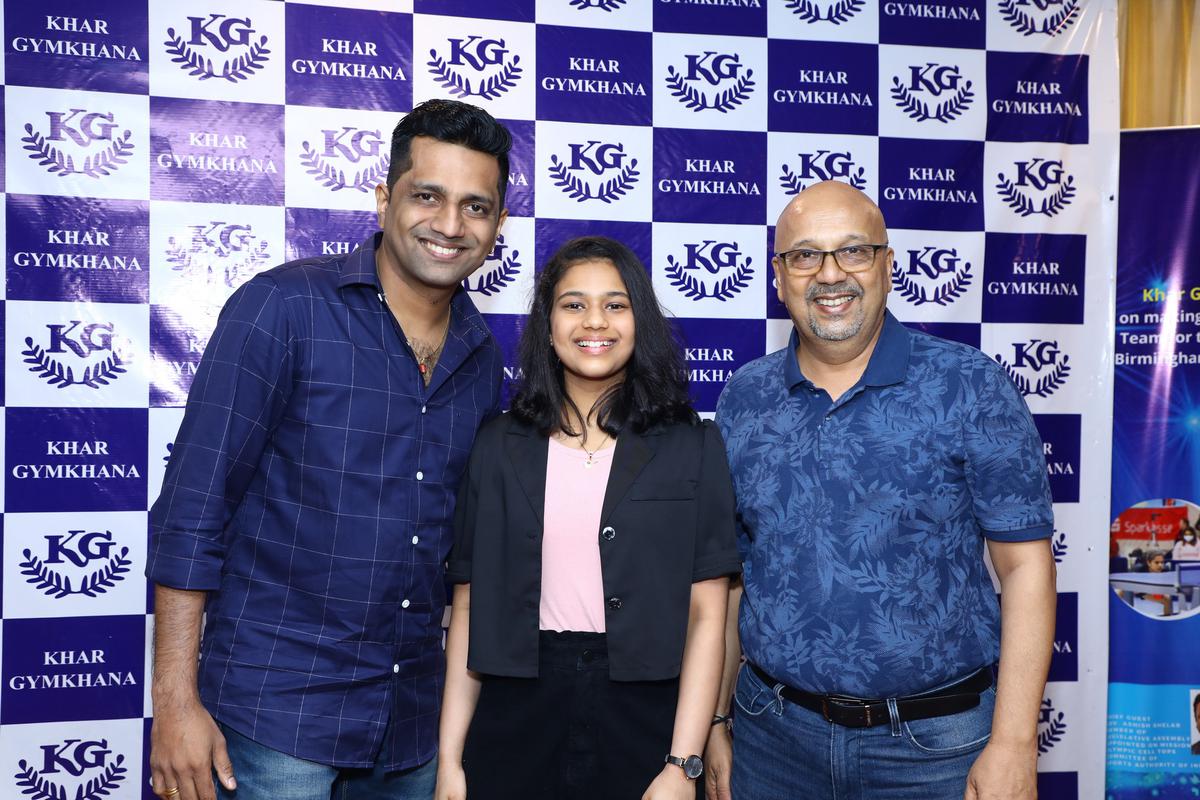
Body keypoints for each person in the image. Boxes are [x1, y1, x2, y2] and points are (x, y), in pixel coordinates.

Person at [145, 99, 512, 800]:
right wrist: (175, 700)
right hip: (273, 718)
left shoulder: (480, 357)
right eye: (427, 196)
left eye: (476, 206)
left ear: (497, 225)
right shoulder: (283, 308)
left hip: (409, 726)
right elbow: (192, 510)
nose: (449, 225)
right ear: (384, 199)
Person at [707, 181, 1057, 800]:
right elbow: (733, 577)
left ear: (888, 265)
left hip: (936, 749)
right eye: (805, 255)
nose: (830, 274)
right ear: (778, 276)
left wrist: (1013, 743)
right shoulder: (744, 398)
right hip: (772, 739)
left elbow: (1026, 566)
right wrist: (714, 723)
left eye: (854, 252)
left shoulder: (969, 385)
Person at [435, 236, 741, 800]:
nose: (593, 321)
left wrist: (682, 764)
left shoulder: (692, 445)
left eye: (615, 304)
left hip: (645, 715)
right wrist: (450, 760)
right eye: (573, 304)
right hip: (516, 710)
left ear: (639, 321)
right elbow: (470, 605)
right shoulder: (498, 444)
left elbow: (707, 616)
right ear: (547, 325)